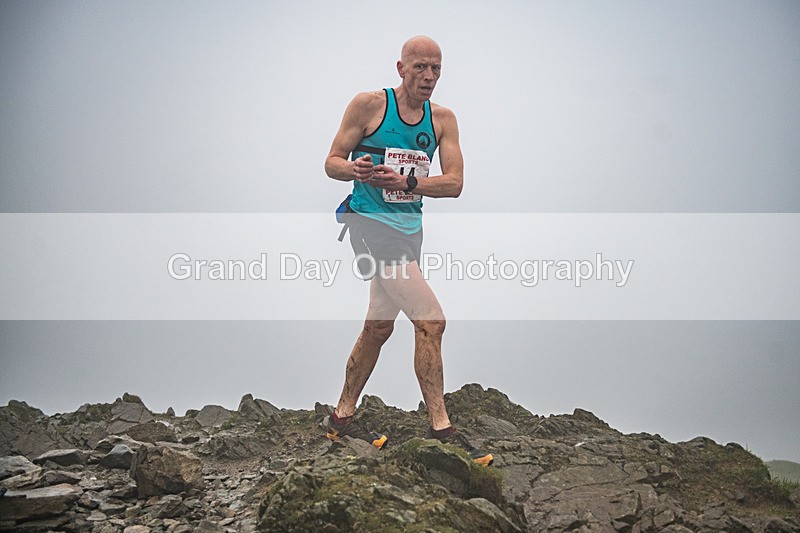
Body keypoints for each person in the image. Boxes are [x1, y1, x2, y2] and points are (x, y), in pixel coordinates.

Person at [323, 36, 493, 466]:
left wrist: (410, 183)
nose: (429, 76)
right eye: (420, 67)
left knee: (379, 328)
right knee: (431, 320)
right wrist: (354, 169)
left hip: (409, 230)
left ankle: (340, 419)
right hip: (368, 225)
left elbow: (454, 184)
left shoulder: (442, 120)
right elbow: (332, 162)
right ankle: (441, 427)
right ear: (401, 68)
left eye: (436, 69)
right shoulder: (369, 106)